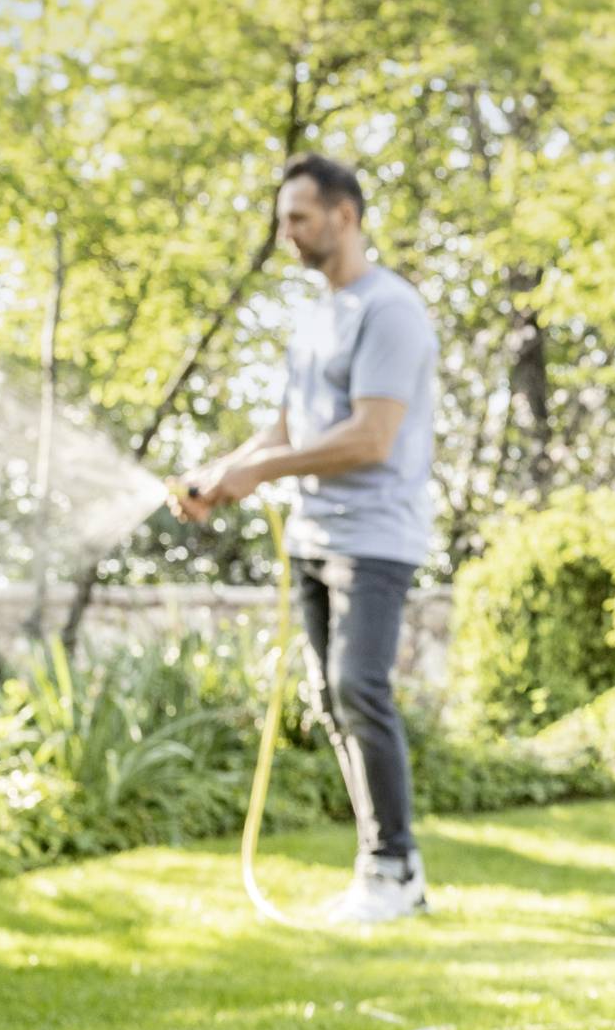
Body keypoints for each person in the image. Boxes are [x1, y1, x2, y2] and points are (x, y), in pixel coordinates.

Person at [174, 154, 440, 925]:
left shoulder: (388, 309)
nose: (285, 232)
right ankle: (385, 867)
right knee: (330, 698)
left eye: (299, 217)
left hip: (376, 535)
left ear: (345, 216)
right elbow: (293, 425)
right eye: (283, 218)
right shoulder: (316, 315)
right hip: (315, 534)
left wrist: (260, 476)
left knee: (360, 686)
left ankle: (394, 868)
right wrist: (222, 472)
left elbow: (370, 437)